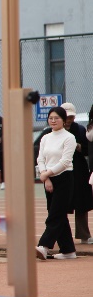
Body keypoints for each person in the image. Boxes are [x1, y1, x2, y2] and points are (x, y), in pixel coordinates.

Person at [35, 107, 77, 261]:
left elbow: (65, 161)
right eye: (51, 118)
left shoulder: (69, 137)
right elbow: (40, 159)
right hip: (48, 178)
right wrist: (45, 177)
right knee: (58, 214)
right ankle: (68, 250)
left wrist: (47, 174)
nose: (53, 121)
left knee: (55, 214)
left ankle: (44, 246)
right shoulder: (45, 137)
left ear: (64, 120)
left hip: (64, 177)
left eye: (57, 118)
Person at [60, 102, 93, 245]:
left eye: (71, 117)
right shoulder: (53, 131)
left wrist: (79, 147)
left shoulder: (80, 129)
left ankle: (84, 234)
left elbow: (88, 149)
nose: (69, 120)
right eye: (66, 117)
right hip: (60, 170)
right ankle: (60, 235)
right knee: (60, 204)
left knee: (81, 203)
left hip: (78, 170)